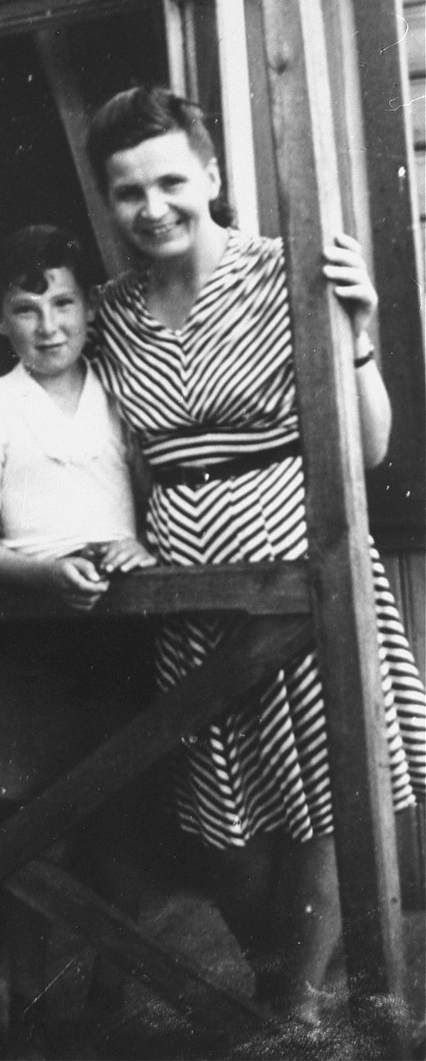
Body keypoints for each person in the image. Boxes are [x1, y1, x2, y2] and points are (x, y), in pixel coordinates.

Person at [84, 84, 426, 1026]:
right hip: (188, 604)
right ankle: (288, 993)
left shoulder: (288, 271)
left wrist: (357, 340)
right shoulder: (107, 313)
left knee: (320, 804)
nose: (151, 208)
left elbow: (368, 449)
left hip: (304, 579)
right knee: (225, 832)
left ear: (211, 174)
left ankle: (295, 1012)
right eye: (127, 192)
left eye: (169, 181)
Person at [0, 224, 156, 1056]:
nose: (47, 324)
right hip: (22, 648)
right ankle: (22, 1013)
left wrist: (141, 548)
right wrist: (45, 576)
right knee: (21, 829)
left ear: (89, 310)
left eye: (63, 302)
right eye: (24, 309)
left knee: (120, 822)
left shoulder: (119, 396)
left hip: (119, 639)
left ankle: (112, 999)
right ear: (0, 322)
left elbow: (152, 501)